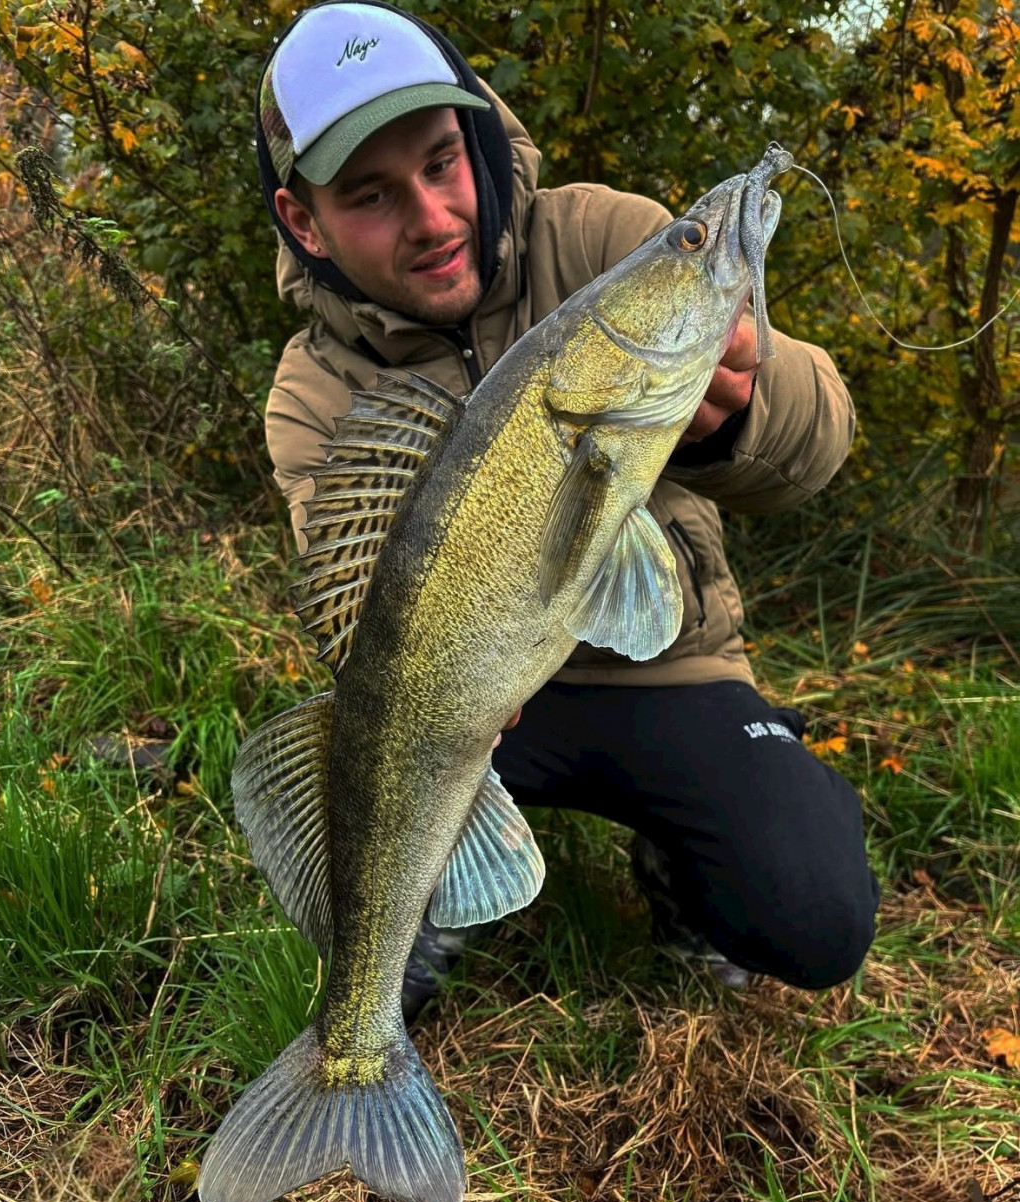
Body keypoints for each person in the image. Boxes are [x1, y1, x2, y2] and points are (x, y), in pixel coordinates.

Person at [255, 0, 879, 1016]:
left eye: (441, 163)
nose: (431, 216)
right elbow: (355, 607)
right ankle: (424, 910)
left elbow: (821, 443)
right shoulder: (311, 388)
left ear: (477, 140)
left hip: (662, 667)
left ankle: (678, 867)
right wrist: (447, 694)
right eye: (370, 193)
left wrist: (735, 417)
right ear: (304, 219)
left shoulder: (603, 238)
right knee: (375, 831)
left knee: (809, 911)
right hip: (480, 702)